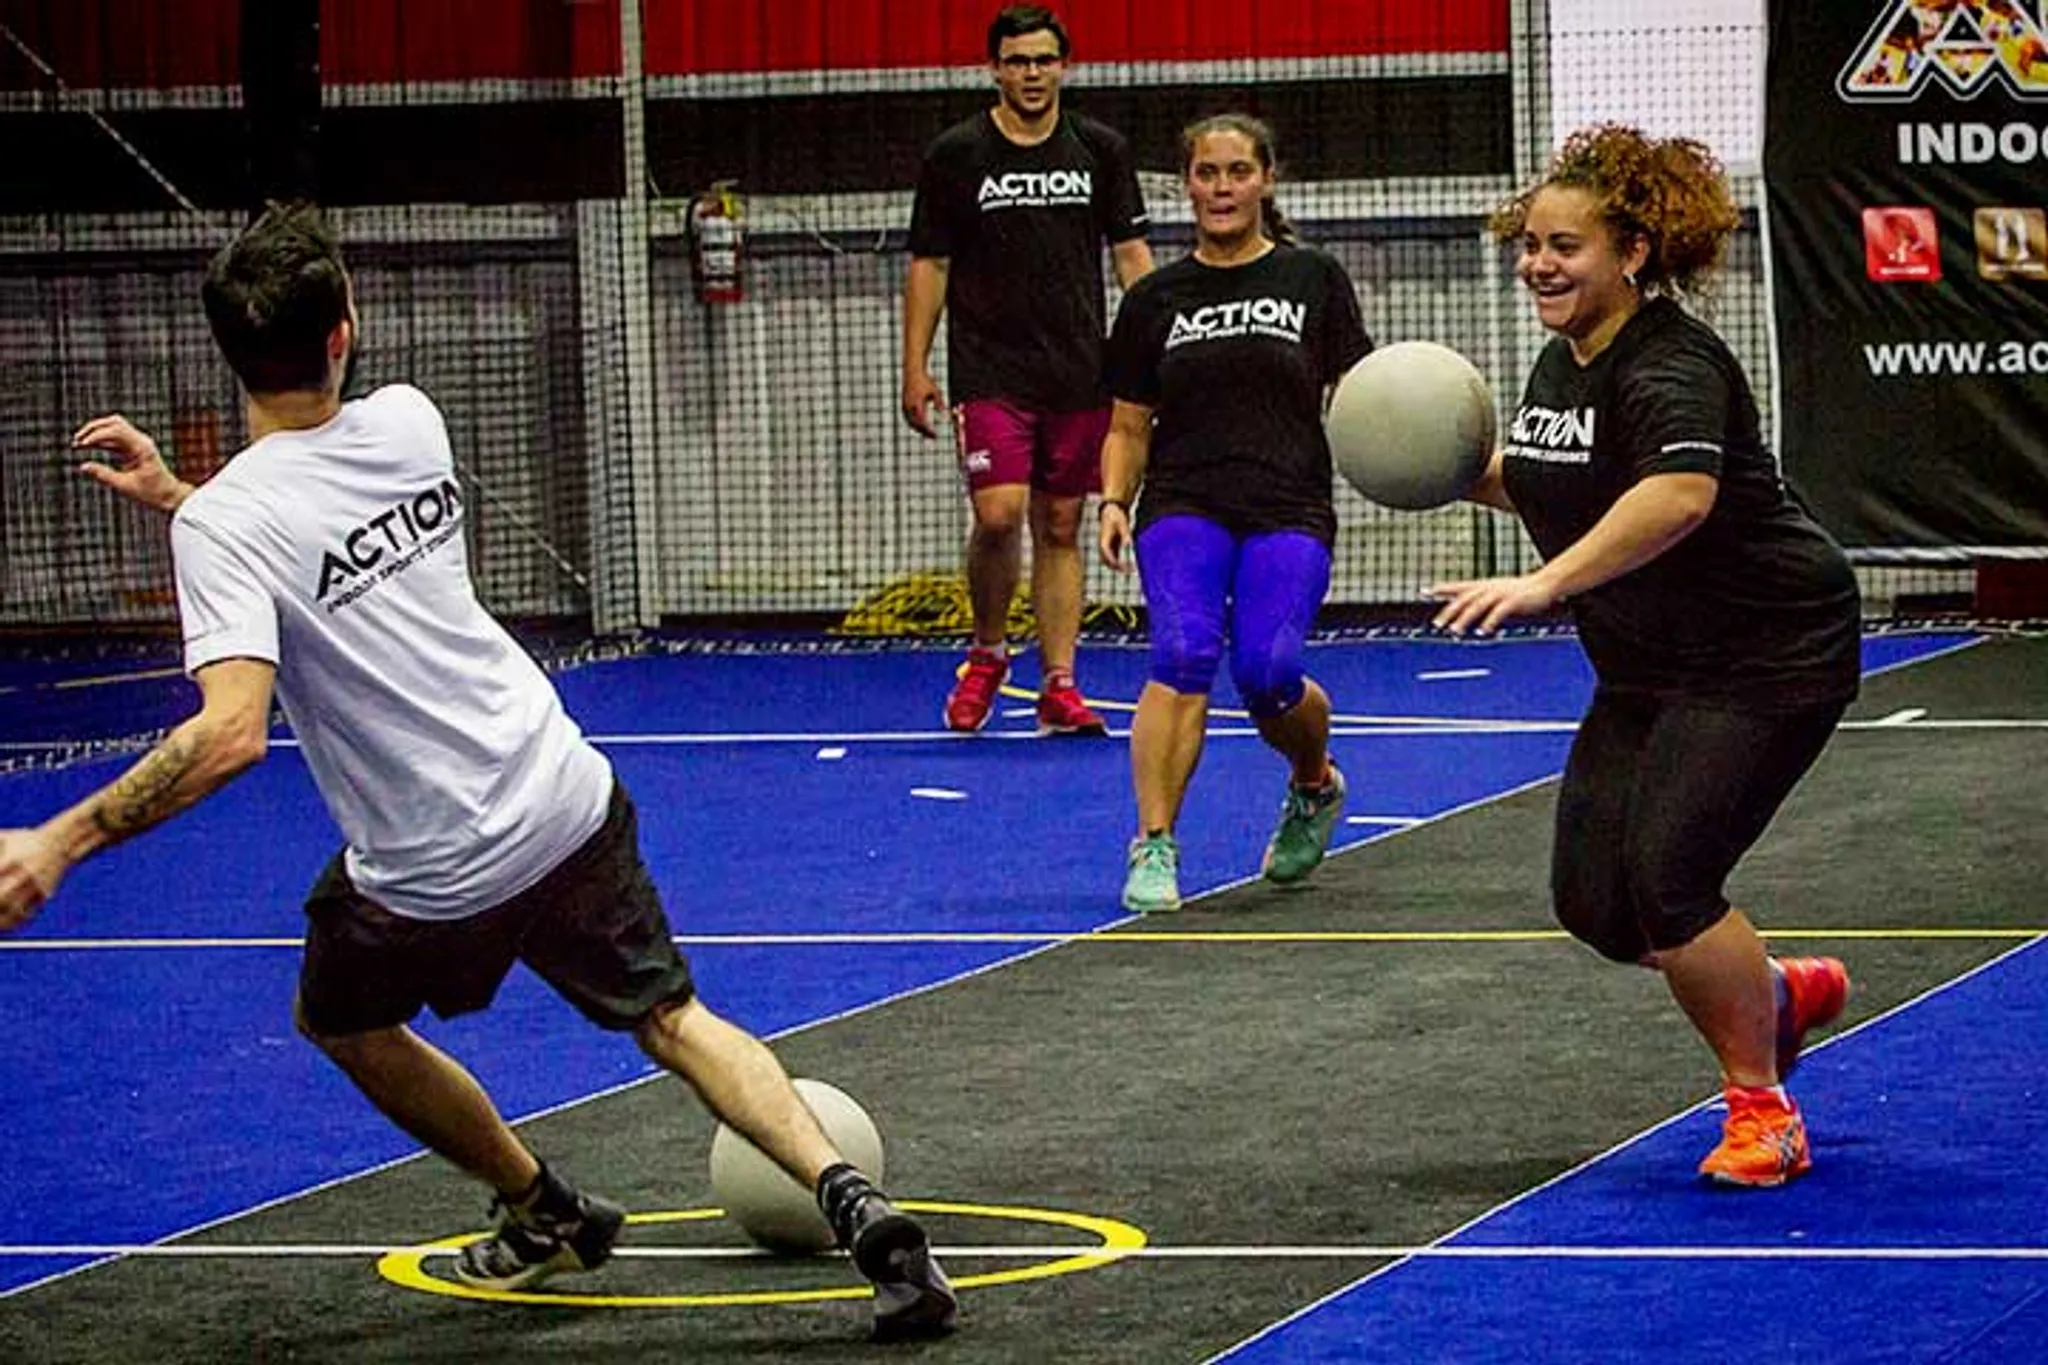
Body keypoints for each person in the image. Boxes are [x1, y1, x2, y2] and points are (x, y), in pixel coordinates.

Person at [0, 203, 957, 1339]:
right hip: (560, 791)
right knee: (673, 1018)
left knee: (343, 1022)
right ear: (345, 331)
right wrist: (185, 501)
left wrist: (57, 839)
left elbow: (232, 731)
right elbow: (307, 519)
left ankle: (543, 1209)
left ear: (228, 352)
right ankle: (853, 1202)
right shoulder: (409, 421)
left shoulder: (224, 529)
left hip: (430, 869)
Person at [1431, 124, 1859, 1188]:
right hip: (1647, 669)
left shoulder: (1672, 362)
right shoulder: (1560, 360)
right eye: (1529, 243)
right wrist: (1445, 466)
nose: (1538, 264)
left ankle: (1762, 1111)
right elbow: (1556, 474)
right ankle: (1771, 993)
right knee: (1595, 903)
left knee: (1670, 881)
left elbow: (1675, 495)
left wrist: (1544, 582)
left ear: (1630, 252)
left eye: (1563, 246)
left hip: (1766, 653)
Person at [1096, 113, 1370, 913]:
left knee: (1266, 671)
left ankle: (1314, 782)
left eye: (1238, 172)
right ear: (1187, 184)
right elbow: (1127, 424)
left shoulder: (1313, 278)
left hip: (1288, 503)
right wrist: (1112, 500)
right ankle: (1154, 842)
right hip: (1182, 501)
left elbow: (1363, 396)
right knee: (1182, 651)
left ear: (1266, 179)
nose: (1222, 188)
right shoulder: (1154, 298)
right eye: (1207, 173)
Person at [903, 4, 1154, 734]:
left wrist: (1160, 347)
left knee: (1061, 521)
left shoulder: (1100, 149)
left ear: (1064, 67)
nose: (1032, 74)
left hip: (1079, 368)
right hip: (990, 368)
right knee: (998, 514)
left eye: (1044, 60)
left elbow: (1130, 253)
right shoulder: (956, 154)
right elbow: (930, 263)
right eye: (1017, 62)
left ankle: (1059, 683)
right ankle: (988, 652)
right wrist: (915, 365)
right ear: (994, 69)